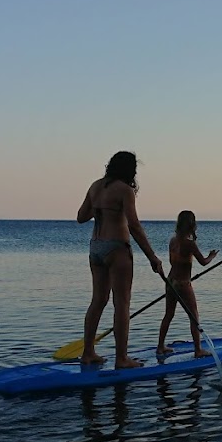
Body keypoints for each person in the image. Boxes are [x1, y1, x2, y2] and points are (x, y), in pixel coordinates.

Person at [77, 151, 164, 369]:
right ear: (129, 170)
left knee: (98, 300)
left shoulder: (95, 186)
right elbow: (134, 225)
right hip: (117, 248)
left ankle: (88, 353)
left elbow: (81, 217)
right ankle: (121, 358)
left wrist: (100, 208)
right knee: (122, 304)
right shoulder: (125, 190)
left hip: (96, 247)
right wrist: (152, 256)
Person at [157, 210, 220, 357]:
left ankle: (160, 346)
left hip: (170, 281)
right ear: (192, 225)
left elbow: (172, 262)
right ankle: (198, 350)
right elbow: (203, 262)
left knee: (168, 314)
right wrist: (212, 256)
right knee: (194, 316)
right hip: (183, 284)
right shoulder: (190, 244)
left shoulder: (173, 240)